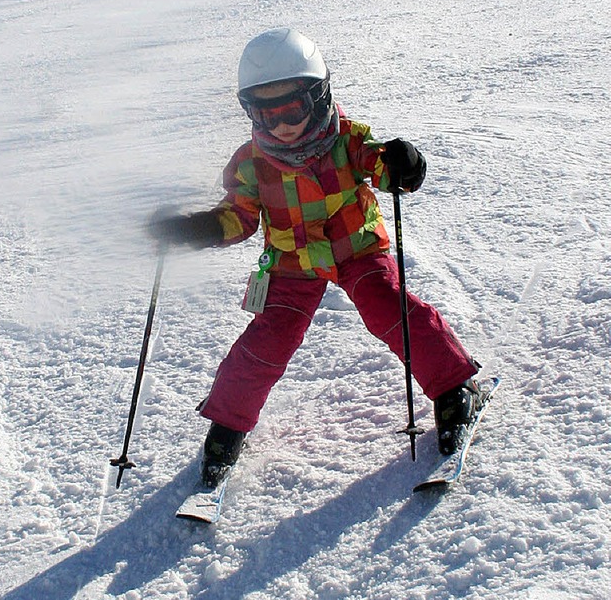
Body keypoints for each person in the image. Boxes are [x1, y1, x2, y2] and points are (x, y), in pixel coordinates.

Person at [149, 27, 481, 487]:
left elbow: (381, 166)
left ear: (319, 96)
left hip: (355, 246)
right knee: (268, 337)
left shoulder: (346, 140)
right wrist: (200, 228)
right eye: (266, 114)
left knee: (387, 305)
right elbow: (239, 216)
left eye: (292, 109)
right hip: (292, 261)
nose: (282, 125)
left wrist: (403, 164)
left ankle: (453, 385)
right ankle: (227, 424)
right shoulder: (251, 162)